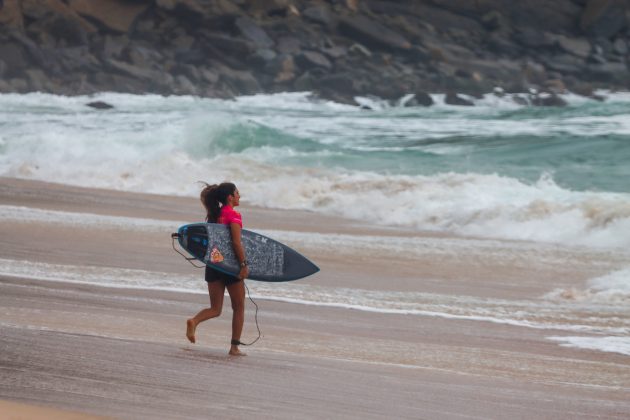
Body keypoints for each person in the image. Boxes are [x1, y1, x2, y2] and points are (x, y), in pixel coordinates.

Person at [186, 182, 249, 356]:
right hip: (230, 266)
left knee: (215, 309)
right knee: (239, 307)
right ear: (230, 197)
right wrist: (243, 265)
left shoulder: (214, 215)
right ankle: (234, 347)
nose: (239, 195)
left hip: (213, 264)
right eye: (237, 192)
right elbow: (236, 242)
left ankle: (194, 320)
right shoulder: (234, 215)